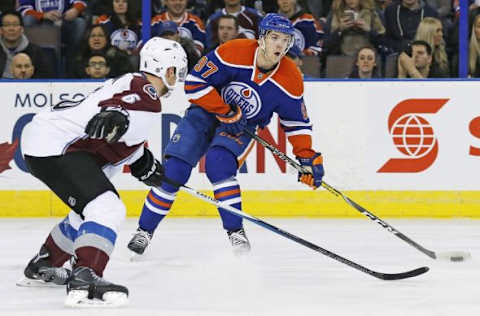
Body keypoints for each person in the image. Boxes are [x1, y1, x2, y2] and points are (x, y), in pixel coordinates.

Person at [127, 13, 325, 257]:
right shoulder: (233, 52)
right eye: (274, 38)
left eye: (285, 40)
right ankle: (144, 231)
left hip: (242, 126)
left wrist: (306, 157)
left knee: (219, 165)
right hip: (205, 113)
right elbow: (194, 83)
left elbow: (296, 123)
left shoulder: (291, 79)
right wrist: (226, 110)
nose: (280, 45)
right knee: (174, 171)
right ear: (261, 38)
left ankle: (235, 232)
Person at [17, 37, 187, 307]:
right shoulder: (145, 90)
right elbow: (121, 107)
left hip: (47, 143)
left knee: (86, 213)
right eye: (179, 70)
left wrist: (145, 164)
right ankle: (86, 276)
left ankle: (43, 264)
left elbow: (122, 139)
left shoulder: (135, 90)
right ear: (169, 70)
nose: (178, 78)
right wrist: (116, 114)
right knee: (107, 208)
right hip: (57, 145)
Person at [0, 11, 53, 78]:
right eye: (7, 25)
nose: (11, 29)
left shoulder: (35, 51)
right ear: (1, 30)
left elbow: (44, 79)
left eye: (15, 25)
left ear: (22, 29)